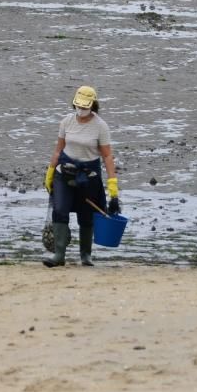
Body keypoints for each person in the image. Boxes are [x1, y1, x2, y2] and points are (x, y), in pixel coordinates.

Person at [42, 86, 121, 268]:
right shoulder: (66, 122)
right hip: (64, 173)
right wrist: (50, 173)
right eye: (78, 106)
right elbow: (58, 150)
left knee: (86, 216)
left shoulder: (101, 126)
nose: (81, 110)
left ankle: (85, 255)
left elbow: (107, 156)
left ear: (93, 105)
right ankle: (58, 255)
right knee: (60, 209)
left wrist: (113, 191)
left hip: (89, 176)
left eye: (85, 107)